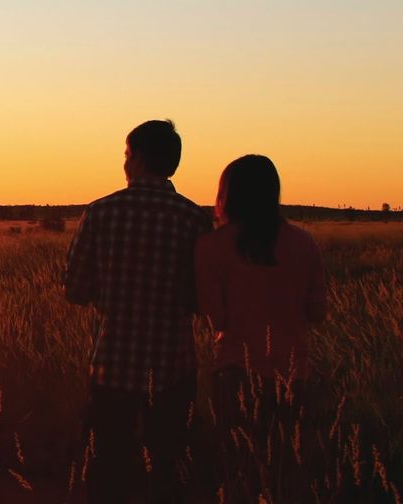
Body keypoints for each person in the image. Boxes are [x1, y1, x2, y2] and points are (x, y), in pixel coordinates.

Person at [64, 120, 213, 503]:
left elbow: (76, 291)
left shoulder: (100, 213)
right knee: (167, 470)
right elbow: (201, 300)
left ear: (141, 158)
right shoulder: (195, 219)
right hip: (173, 367)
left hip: (112, 366)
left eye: (127, 155)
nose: (124, 163)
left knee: (107, 470)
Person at [195, 155, 326, 501]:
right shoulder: (304, 242)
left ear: (227, 194)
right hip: (294, 374)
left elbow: (215, 320)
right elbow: (317, 312)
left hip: (235, 371)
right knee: (288, 472)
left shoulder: (211, 246)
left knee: (240, 470)